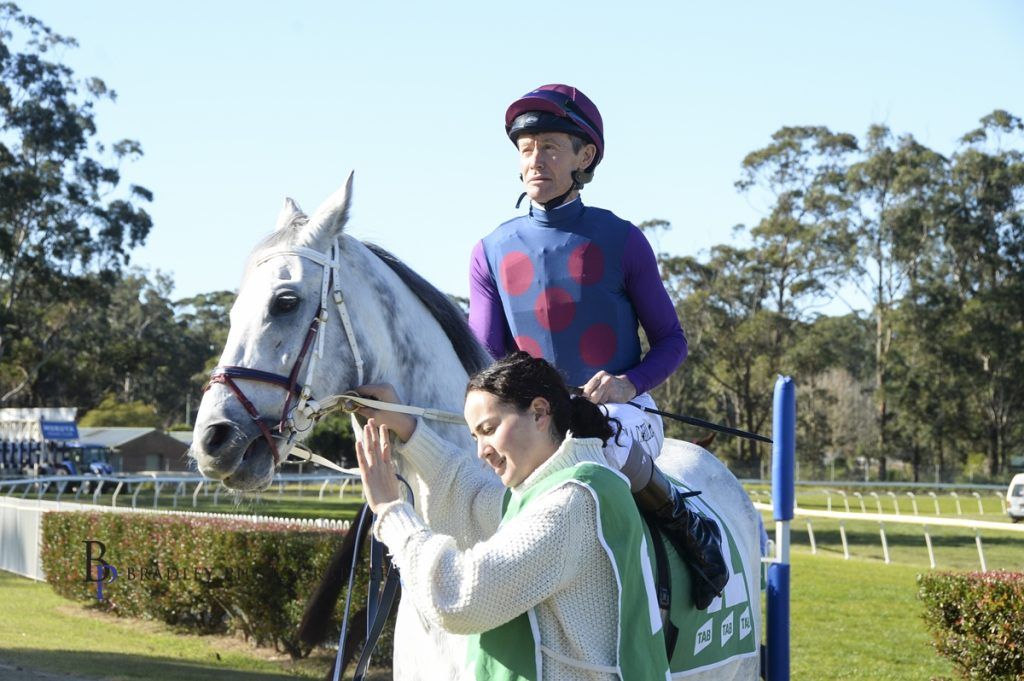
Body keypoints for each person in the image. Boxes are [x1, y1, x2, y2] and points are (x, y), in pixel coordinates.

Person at [467, 84, 726, 607]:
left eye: (550, 147)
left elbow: (672, 341)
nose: (536, 159)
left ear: (584, 157)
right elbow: (487, 360)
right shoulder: (489, 250)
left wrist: (628, 383)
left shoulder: (623, 239)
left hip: (623, 413)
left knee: (599, 444)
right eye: (526, 149)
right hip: (536, 418)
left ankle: (692, 535)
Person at [355, 353, 670, 680]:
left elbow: (461, 597)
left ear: (539, 413)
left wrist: (391, 511)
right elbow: (475, 496)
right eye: (475, 437)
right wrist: (407, 427)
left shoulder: (571, 502)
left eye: (489, 429)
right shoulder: (565, 488)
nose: (481, 450)